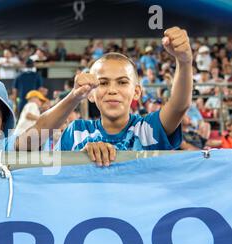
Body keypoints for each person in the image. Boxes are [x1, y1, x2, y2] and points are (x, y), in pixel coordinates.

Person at [55, 27, 193, 167]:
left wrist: (184, 61)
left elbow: (179, 106)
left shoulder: (148, 129)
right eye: (103, 83)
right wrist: (80, 158)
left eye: (122, 82)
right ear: (90, 93)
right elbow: (51, 175)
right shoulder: (75, 132)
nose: (112, 90)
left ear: (136, 92)